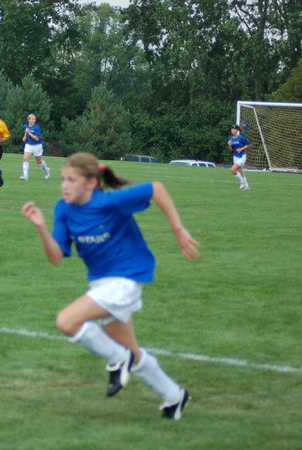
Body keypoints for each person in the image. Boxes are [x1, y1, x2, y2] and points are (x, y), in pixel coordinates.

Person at [21, 152, 200, 420]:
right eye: (62, 179)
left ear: (91, 183)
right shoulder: (64, 209)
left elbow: (156, 189)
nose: (65, 185)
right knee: (133, 353)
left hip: (126, 278)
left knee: (67, 322)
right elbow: (56, 257)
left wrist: (178, 230)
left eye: (72, 180)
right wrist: (41, 228)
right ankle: (174, 395)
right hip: (101, 284)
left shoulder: (109, 202)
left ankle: (118, 359)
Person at [20, 113, 50, 181]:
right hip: (29, 145)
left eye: (34, 119)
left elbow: (37, 139)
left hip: (37, 146)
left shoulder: (37, 127)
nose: (33, 120)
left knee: (38, 161)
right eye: (32, 119)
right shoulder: (26, 126)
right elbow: (26, 131)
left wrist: (29, 133)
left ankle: (47, 170)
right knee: (25, 159)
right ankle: (25, 176)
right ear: (28, 120)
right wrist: (25, 137)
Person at [227, 124, 250, 190]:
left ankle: (242, 182)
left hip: (242, 156)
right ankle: (247, 186)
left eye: (234, 129)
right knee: (240, 172)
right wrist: (229, 145)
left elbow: (248, 144)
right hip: (235, 157)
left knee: (233, 170)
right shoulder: (230, 138)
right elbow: (230, 150)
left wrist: (241, 149)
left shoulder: (241, 138)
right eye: (232, 129)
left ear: (237, 130)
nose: (233, 130)